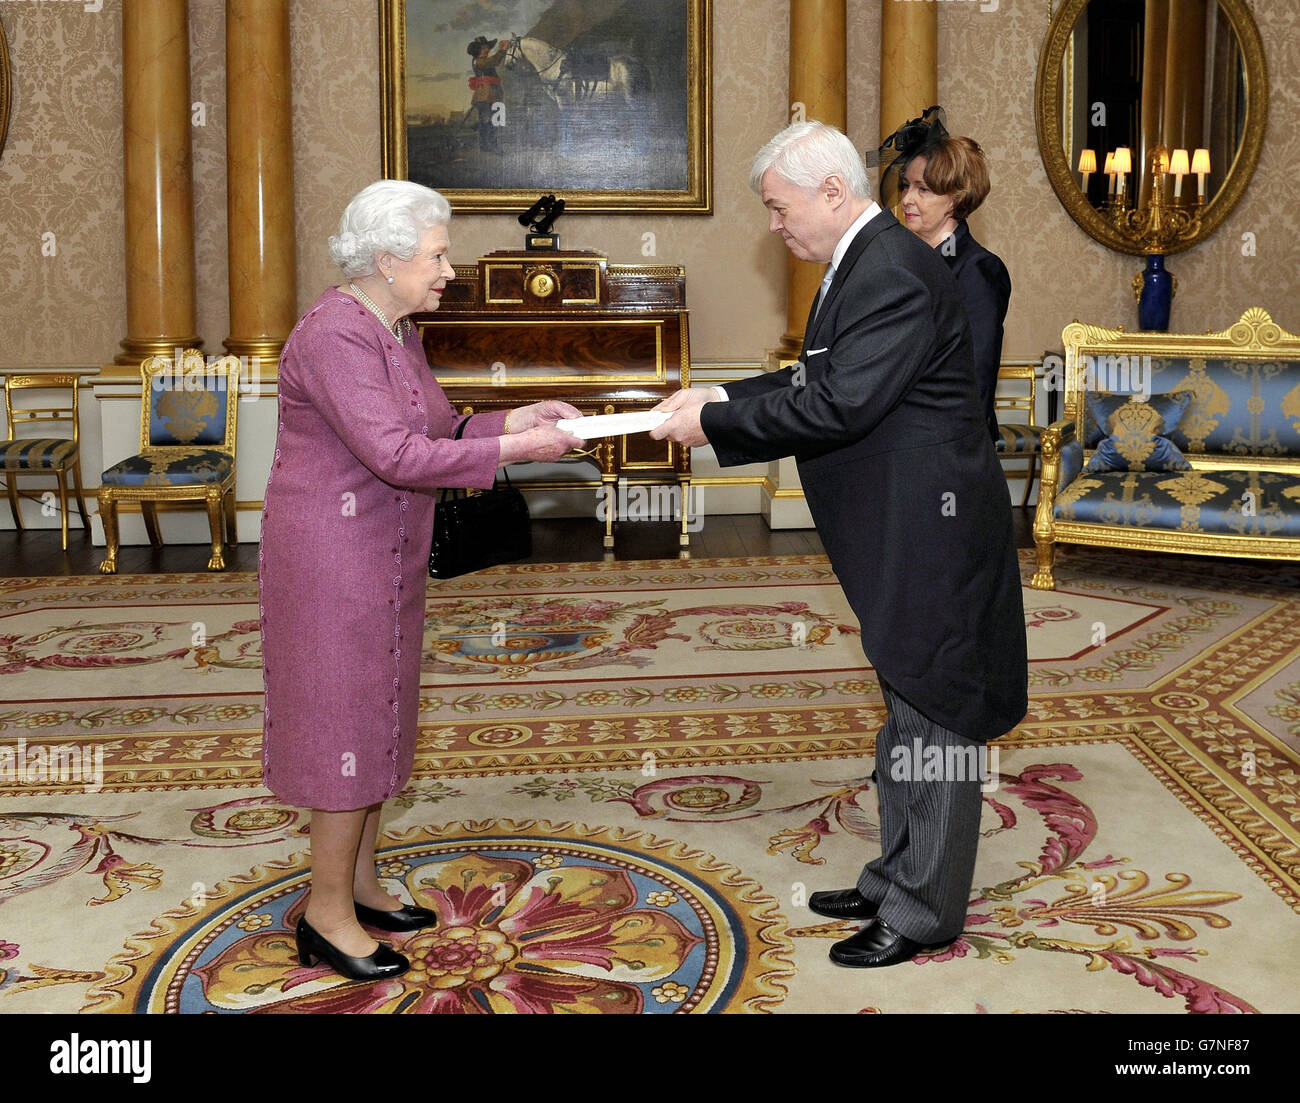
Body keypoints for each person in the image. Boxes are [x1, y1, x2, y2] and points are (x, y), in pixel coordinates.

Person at [651, 122, 1027, 968]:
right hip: (899, 524)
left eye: (780, 209)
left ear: (830, 192)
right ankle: (896, 874)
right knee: (904, 702)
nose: (774, 226)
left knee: (934, 709)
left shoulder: (890, 268)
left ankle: (925, 910)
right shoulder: (863, 259)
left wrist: (713, 423)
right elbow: (816, 377)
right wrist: (721, 389)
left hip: (927, 531)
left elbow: (839, 407)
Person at [258, 179, 582, 981]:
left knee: (376, 713)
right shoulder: (335, 334)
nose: (449, 270)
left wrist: (517, 421)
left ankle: (359, 882)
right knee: (343, 723)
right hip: (332, 556)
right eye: (437, 255)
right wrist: (514, 456)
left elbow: (437, 429)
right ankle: (325, 915)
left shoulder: (395, 328)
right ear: (386, 257)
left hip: (387, 546)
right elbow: (395, 456)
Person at [876, 107, 1011, 442]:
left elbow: (976, 377)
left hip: (949, 445)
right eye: (907, 186)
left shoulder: (978, 269)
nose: (906, 199)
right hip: (900, 439)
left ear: (956, 198)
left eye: (923, 190)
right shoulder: (902, 263)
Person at [467, 36, 509, 153]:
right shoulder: (480, 61)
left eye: (487, 48)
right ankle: (491, 147)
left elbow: (493, 61)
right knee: (490, 121)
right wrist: (503, 50)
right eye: (483, 48)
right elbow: (493, 61)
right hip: (485, 97)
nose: (486, 50)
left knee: (492, 121)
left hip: (492, 96)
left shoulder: (483, 60)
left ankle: (486, 145)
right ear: (477, 50)